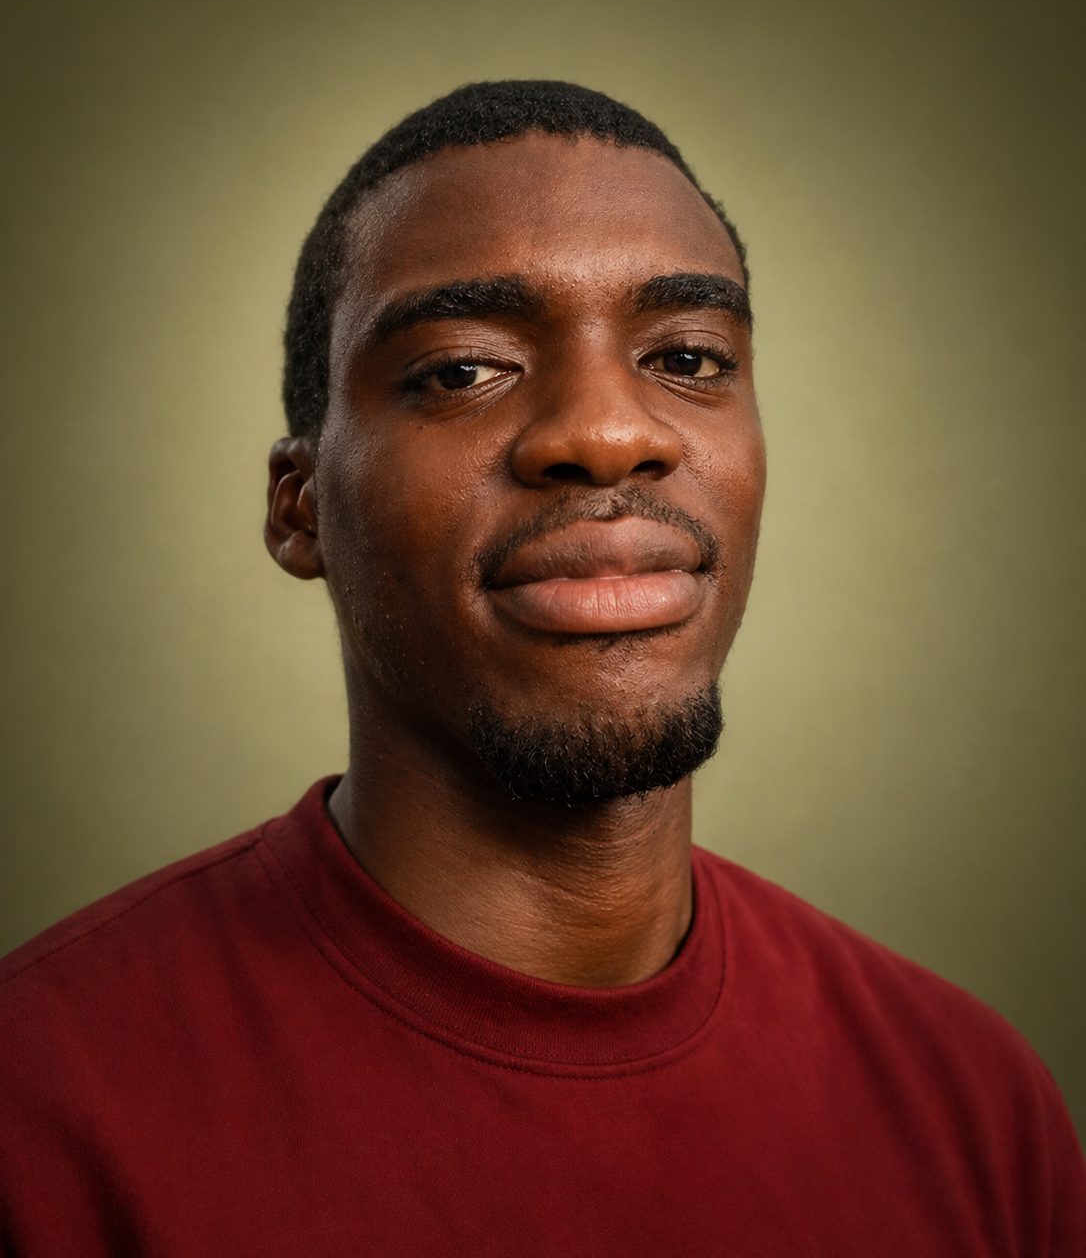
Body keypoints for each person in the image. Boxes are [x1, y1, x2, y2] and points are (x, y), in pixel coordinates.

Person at [1, 81, 1082, 1255]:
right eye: (464, 369)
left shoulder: (976, 1107)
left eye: (688, 356)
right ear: (300, 505)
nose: (610, 433)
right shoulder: (39, 1108)